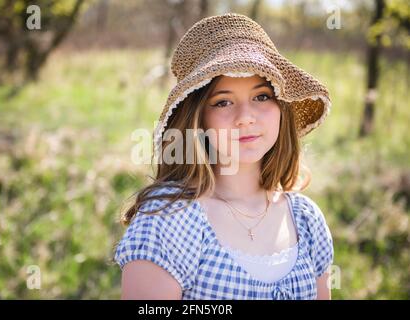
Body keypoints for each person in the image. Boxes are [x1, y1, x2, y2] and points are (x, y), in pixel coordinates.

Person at [112, 13, 334, 300]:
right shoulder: (170, 218)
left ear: (281, 107)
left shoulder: (306, 221)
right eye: (223, 102)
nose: (246, 118)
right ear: (198, 119)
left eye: (262, 96)